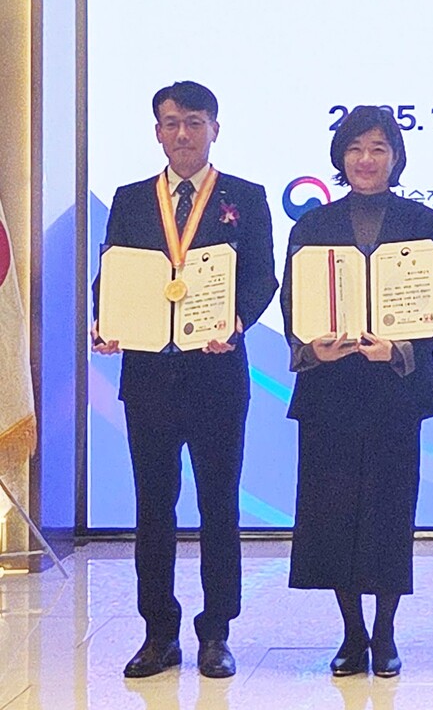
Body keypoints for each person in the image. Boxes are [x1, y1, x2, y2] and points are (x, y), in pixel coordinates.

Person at [91, 81, 277, 678]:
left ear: (214, 129)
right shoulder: (130, 199)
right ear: (156, 132)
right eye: (170, 123)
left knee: (218, 506)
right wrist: (105, 320)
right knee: (154, 507)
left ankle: (216, 632)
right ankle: (158, 632)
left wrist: (239, 321)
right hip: (148, 376)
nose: (181, 134)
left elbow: (262, 278)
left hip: (217, 373)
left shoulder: (245, 198)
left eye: (193, 122)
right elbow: (113, 270)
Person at [280, 106, 433, 678]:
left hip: (394, 392)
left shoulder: (423, 222)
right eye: (355, 149)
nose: (366, 160)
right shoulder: (312, 226)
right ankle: (351, 633)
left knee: (388, 509)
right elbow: (293, 306)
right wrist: (311, 348)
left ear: (396, 157)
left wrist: (399, 350)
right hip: (331, 390)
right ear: (340, 157)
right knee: (333, 514)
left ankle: (385, 633)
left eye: (378, 148)